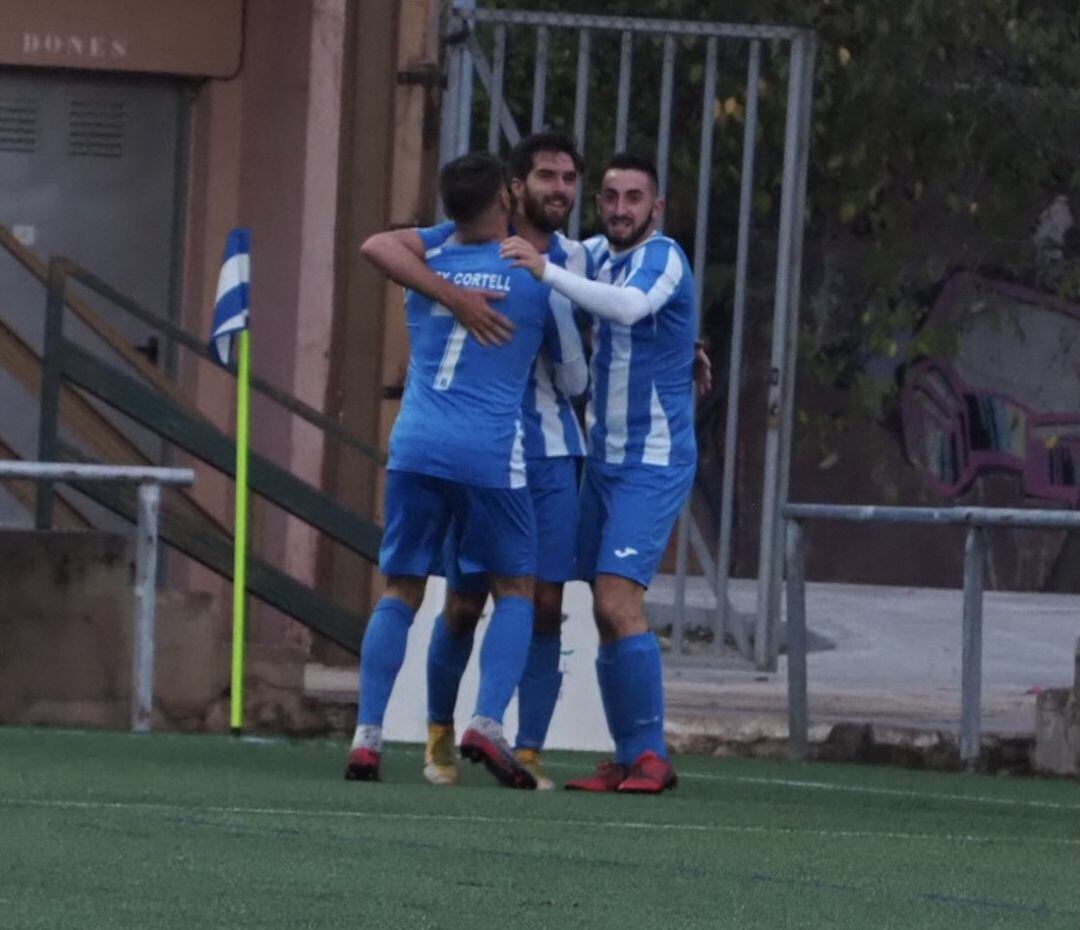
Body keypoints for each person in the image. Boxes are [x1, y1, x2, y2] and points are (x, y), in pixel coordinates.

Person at [361, 133, 590, 790]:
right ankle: (456, 731)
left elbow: (379, 245)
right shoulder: (530, 272)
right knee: (478, 600)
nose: (558, 189)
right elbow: (575, 377)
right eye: (545, 176)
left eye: (569, 178)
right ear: (512, 189)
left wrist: (453, 296)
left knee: (537, 601)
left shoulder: (571, 258)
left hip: (478, 450)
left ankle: (388, 734)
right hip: (497, 452)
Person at [501, 152, 699, 794]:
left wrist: (549, 272)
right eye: (610, 196)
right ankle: (629, 754)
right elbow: (557, 256)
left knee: (619, 601)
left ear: (656, 208)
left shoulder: (664, 256)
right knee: (600, 609)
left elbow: (630, 309)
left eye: (633, 198)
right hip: (605, 461)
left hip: (654, 457)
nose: (619, 209)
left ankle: (651, 757)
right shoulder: (595, 254)